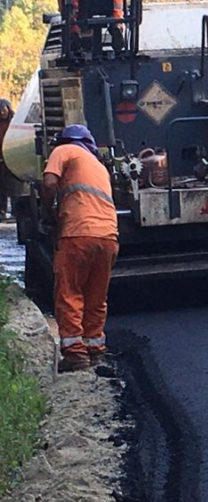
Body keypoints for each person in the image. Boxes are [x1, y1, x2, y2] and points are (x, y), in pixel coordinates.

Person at [41, 124, 119, 372]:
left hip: (77, 233)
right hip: (108, 237)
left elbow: (50, 182)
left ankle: (75, 355)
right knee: (96, 297)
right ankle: (95, 350)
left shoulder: (64, 150)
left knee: (69, 292)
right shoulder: (99, 166)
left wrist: (49, 211)